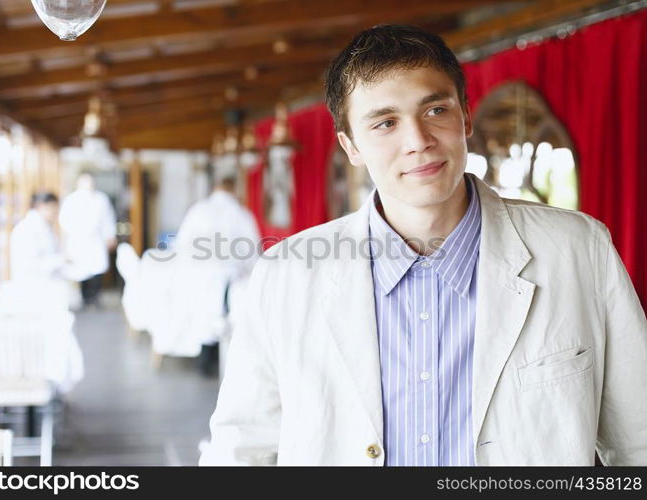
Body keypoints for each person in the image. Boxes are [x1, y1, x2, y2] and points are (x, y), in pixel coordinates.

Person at [200, 25, 647, 466]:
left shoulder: (579, 249)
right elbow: (241, 451)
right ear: (350, 146)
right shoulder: (287, 273)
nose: (417, 141)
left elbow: (638, 440)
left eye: (435, 111)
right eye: (385, 123)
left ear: (465, 117)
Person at [169, 175, 260, 375]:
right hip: (228, 278)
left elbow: (182, 244)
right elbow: (252, 248)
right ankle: (220, 364)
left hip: (197, 276)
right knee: (222, 321)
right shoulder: (240, 213)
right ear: (233, 190)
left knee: (203, 319)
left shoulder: (198, 210)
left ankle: (205, 361)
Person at [2, 191, 70, 310]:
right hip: (33, 289)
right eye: (53, 208)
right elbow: (31, 264)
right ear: (40, 206)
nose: (55, 213)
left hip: (45, 288)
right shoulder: (28, 229)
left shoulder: (44, 226)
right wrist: (60, 260)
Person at [59, 171, 117, 308]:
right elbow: (64, 221)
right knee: (81, 270)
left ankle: (95, 297)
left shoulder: (101, 199)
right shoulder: (71, 200)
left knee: (97, 270)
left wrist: (110, 235)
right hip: (79, 239)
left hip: (96, 239)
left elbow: (108, 219)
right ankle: (85, 298)